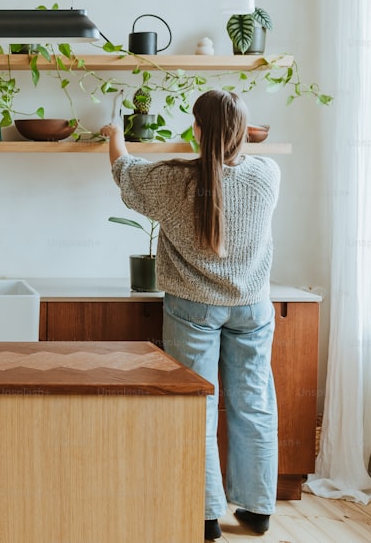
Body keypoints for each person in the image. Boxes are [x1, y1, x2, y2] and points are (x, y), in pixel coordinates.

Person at [100, 89, 280, 540]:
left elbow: (123, 171)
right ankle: (258, 510)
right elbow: (224, 170)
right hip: (251, 308)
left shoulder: (170, 181)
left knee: (195, 408)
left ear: (196, 130)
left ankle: (203, 516)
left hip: (193, 308)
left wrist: (115, 134)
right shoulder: (267, 175)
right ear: (242, 132)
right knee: (254, 404)